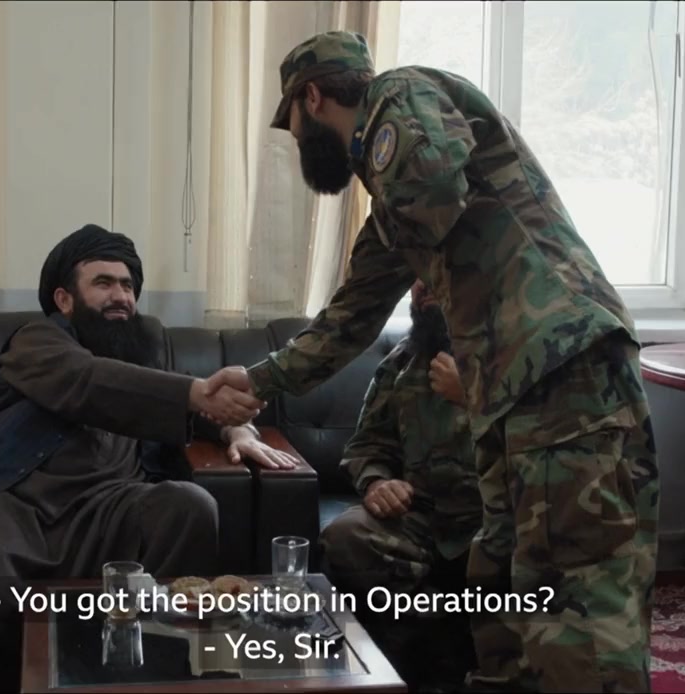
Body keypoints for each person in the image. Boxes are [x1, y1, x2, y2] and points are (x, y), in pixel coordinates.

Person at [211, 31, 659, 692]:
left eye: (294, 123)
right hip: (507, 395)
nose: (298, 138)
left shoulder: (400, 94)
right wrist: (256, 380)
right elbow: (349, 318)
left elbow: (436, 189)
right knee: (506, 589)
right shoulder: (390, 207)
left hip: (562, 372)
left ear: (312, 97)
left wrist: (401, 247)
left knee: (578, 607)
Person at [0, 224, 297, 693]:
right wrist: (198, 395)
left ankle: (154, 673)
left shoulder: (142, 353)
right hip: (16, 509)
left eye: (127, 285)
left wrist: (236, 428)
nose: (120, 296)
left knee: (190, 505)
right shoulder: (35, 342)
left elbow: (181, 398)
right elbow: (90, 380)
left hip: (110, 510)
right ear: (65, 299)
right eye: (103, 283)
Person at [320, 279, 479, 689]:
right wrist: (378, 483)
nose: (422, 285)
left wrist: (474, 396)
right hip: (421, 520)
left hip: (495, 524)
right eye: (416, 275)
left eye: (435, 271)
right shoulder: (403, 362)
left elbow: (548, 443)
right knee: (347, 537)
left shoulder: (514, 357)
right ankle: (427, 655)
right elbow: (367, 444)